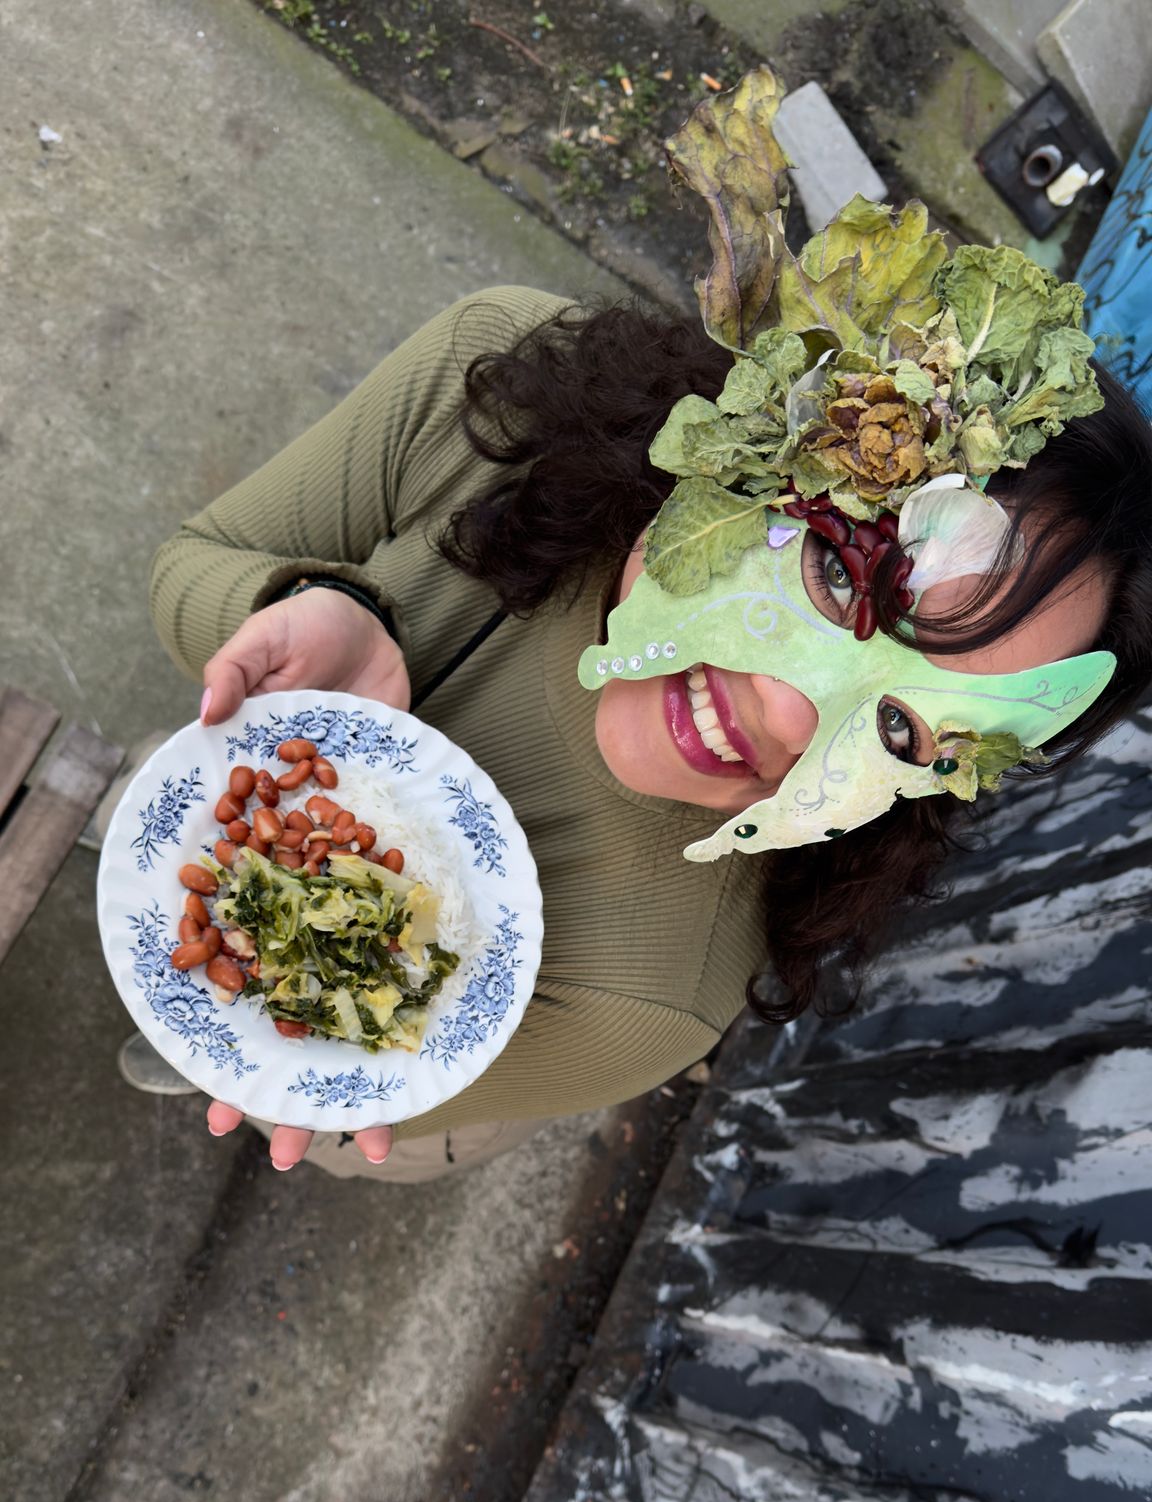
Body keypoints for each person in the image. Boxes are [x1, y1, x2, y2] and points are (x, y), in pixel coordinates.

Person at [141, 69, 1152, 1178]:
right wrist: (308, 604)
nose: (783, 715)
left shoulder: (645, 997)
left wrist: (311, 1046)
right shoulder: (500, 387)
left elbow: (345, 1056)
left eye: (904, 729)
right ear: (766, 435)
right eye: (835, 567)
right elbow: (195, 562)